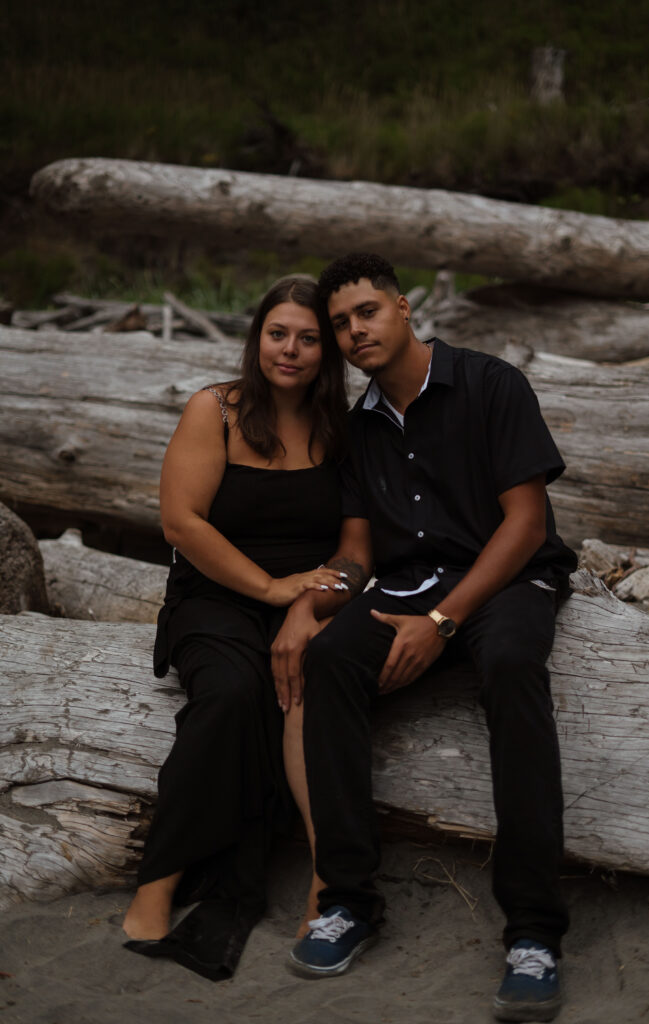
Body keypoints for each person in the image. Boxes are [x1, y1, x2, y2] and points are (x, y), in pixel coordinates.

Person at [272, 254, 577, 1021]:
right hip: (407, 583)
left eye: (365, 313)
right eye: (339, 323)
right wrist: (315, 599)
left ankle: (533, 932)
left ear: (405, 309)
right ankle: (347, 899)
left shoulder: (488, 383)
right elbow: (358, 551)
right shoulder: (359, 423)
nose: (352, 332)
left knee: (509, 664)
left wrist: (441, 626)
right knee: (331, 659)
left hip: (507, 577)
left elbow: (526, 523)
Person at [122, 274, 349, 980]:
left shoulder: (342, 425)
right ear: (256, 339)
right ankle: (158, 883)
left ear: (327, 350)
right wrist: (267, 586)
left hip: (303, 603)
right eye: (278, 333)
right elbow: (180, 522)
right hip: (215, 596)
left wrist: (310, 601)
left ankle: (329, 882)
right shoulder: (213, 410)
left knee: (309, 690)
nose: (291, 349)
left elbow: (357, 539)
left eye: (309, 338)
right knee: (226, 695)